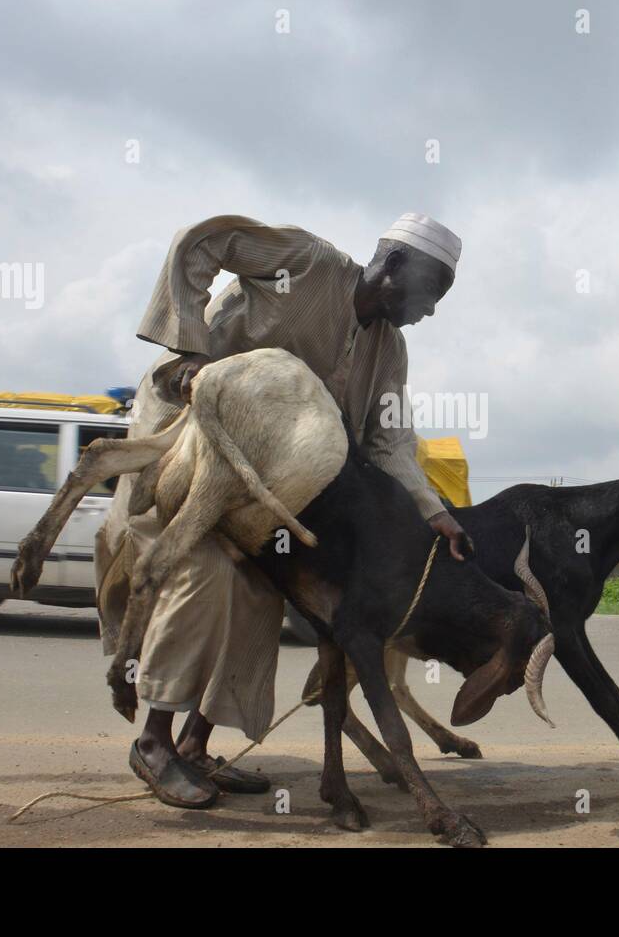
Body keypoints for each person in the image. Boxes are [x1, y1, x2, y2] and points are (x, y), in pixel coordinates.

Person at [98, 213, 472, 808]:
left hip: (255, 483)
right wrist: (191, 347)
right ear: (394, 267)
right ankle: (153, 740)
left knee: (264, 590)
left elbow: (389, 441)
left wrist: (434, 510)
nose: (428, 313)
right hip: (183, 434)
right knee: (207, 573)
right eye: (432, 295)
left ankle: (195, 746)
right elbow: (202, 241)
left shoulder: (388, 350)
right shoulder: (307, 262)